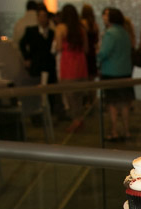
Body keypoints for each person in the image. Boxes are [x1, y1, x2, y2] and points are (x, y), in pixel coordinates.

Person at [97, 7, 134, 141]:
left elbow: (104, 52)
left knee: (112, 104)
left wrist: (97, 58)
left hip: (111, 72)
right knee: (124, 103)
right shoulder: (125, 32)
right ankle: (127, 130)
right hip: (125, 71)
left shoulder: (110, 33)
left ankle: (114, 131)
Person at [55, 4, 89, 133]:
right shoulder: (81, 29)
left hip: (68, 63)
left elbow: (58, 47)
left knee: (70, 94)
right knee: (79, 95)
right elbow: (86, 49)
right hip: (80, 63)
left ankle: (76, 120)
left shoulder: (61, 28)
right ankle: (79, 119)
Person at [19, 5, 57, 83]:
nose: (42, 19)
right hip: (36, 64)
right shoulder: (31, 31)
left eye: (44, 16)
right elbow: (22, 44)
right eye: (40, 16)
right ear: (37, 17)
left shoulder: (52, 33)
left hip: (49, 65)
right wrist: (27, 58)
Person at [81, 5, 100, 80]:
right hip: (92, 52)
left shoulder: (82, 24)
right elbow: (97, 40)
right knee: (92, 78)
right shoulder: (95, 25)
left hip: (85, 52)